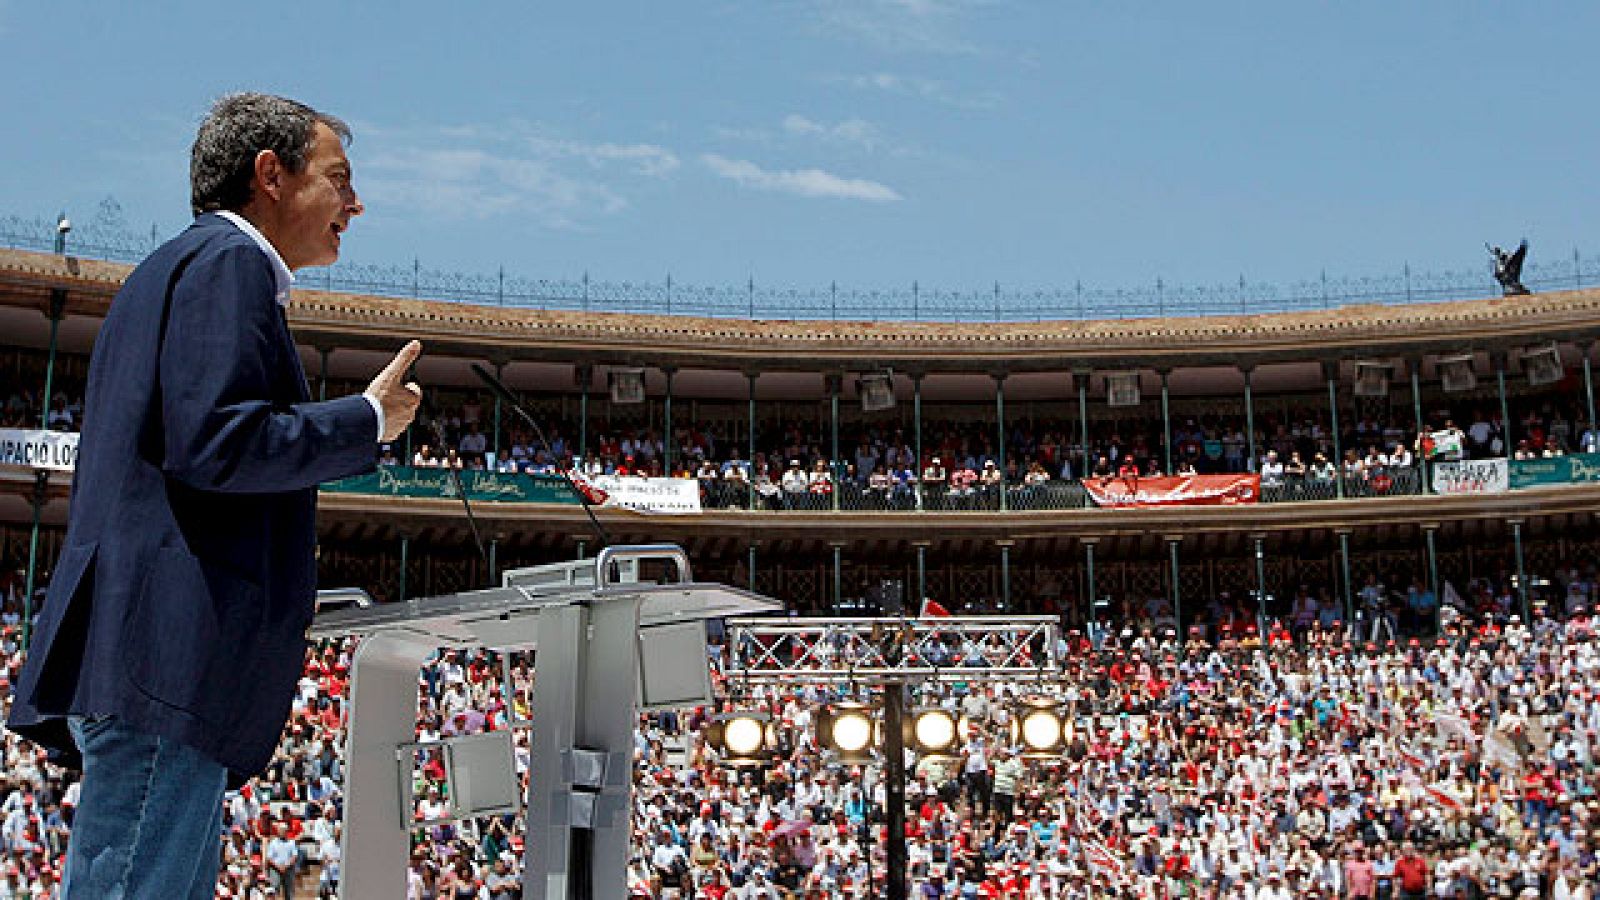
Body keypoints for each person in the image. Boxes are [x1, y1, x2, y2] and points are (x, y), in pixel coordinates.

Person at [7, 93, 422, 898]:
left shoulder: (175, 270)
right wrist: (363, 422)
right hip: (168, 659)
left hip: (149, 663)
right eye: (339, 178)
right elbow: (218, 443)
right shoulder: (230, 264)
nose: (355, 202)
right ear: (271, 175)